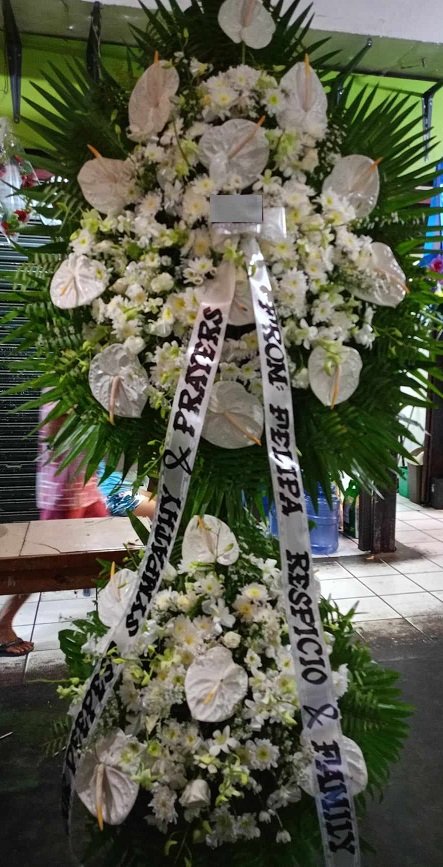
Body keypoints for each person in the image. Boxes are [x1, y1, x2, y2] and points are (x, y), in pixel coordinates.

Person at [0, 399, 109, 658]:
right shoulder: (64, 392)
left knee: (111, 558)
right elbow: (58, 442)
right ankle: (3, 624)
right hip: (66, 493)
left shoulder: (77, 388)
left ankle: (113, 621)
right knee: (42, 567)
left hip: (85, 489)